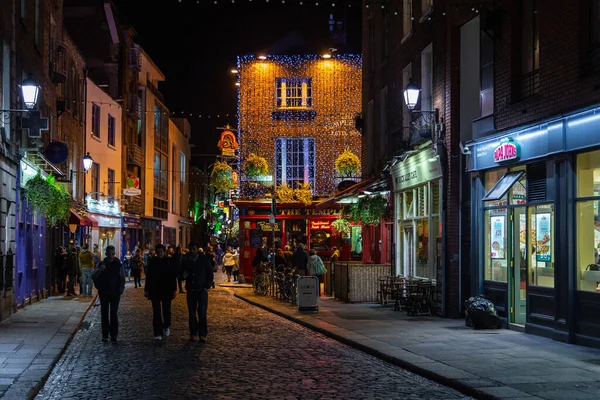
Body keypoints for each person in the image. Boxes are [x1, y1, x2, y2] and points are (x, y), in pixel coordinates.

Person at [181, 241, 214, 342]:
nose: (192, 251)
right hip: (191, 289)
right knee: (192, 313)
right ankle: (193, 333)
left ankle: (202, 334)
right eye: (191, 249)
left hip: (202, 290)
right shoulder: (186, 260)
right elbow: (180, 272)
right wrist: (183, 276)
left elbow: (210, 273)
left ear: (197, 249)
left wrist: (207, 285)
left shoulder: (203, 259)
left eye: (194, 249)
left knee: (202, 312)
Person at [92, 245, 125, 342]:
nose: (111, 256)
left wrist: (121, 289)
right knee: (104, 313)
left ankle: (114, 334)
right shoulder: (101, 264)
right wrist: (99, 270)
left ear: (114, 254)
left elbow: (122, 277)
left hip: (115, 292)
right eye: (109, 254)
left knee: (114, 314)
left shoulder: (118, 264)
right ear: (106, 254)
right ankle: (105, 334)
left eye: (112, 254)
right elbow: (93, 276)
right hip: (104, 292)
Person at [145, 244, 177, 341]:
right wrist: (146, 290)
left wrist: (174, 289)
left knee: (167, 311)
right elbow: (149, 277)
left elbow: (172, 277)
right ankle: (157, 333)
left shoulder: (168, 262)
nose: (159, 253)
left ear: (164, 252)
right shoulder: (152, 262)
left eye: (161, 251)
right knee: (156, 312)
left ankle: (166, 325)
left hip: (166, 290)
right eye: (158, 252)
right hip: (155, 290)